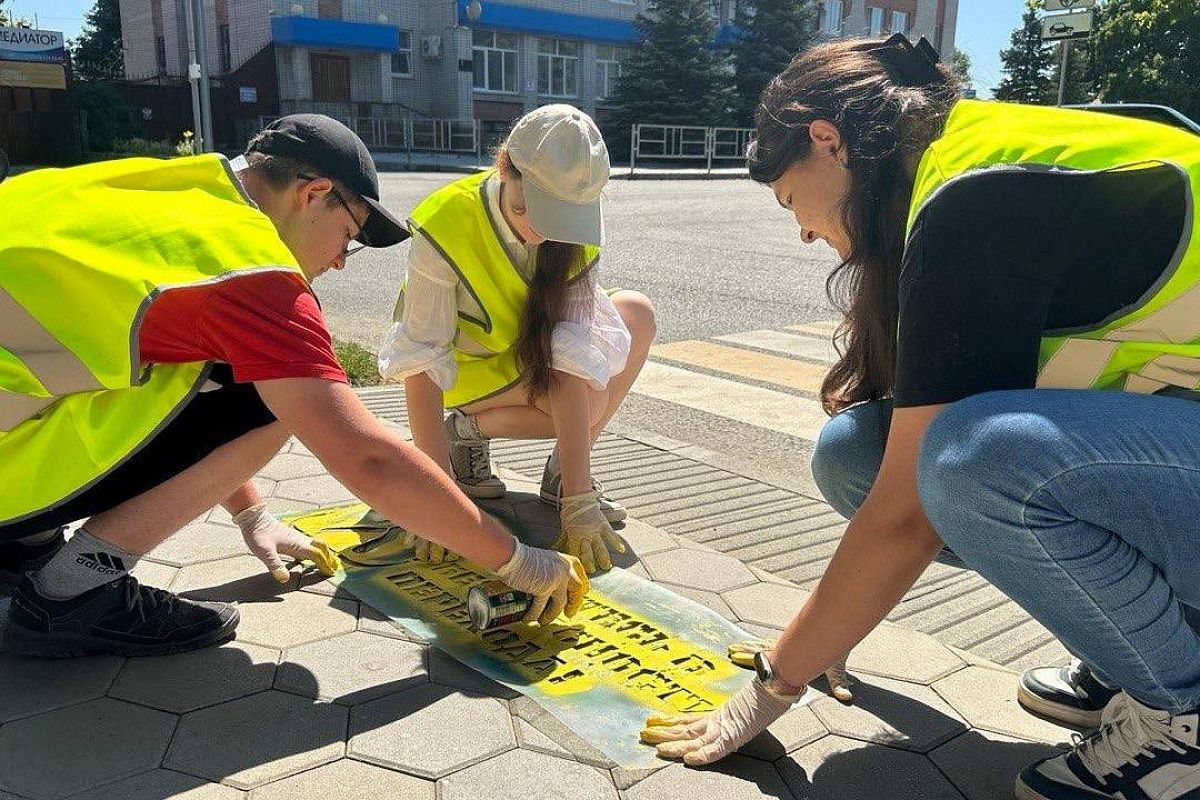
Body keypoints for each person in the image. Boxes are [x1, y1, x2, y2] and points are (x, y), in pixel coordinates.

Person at [639, 34, 1200, 800]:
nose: (801, 229)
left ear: (827, 143)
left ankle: (1184, 718)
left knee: (979, 461)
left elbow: (909, 511)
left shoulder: (980, 194)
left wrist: (776, 683)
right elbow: (896, 478)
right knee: (856, 452)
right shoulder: (952, 170)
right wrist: (837, 624)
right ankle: (1134, 659)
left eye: (788, 199)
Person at [0, 114, 587, 658]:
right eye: (349, 236)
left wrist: (252, 515)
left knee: (205, 364)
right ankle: (67, 594)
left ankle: (22, 545)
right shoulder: (252, 272)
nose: (339, 263)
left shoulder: (160, 189)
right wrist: (516, 560)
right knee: (280, 399)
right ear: (313, 194)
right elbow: (367, 460)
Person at [378, 104, 656, 575]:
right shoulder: (447, 222)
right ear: (504, 166)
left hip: (525, 360)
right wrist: (437, 497)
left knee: (637, 315)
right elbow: (422, 361)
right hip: (468, 369)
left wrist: (578, 498)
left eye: (557, 217)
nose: (540, 230)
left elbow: (571, 360)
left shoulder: (575, 231)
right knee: (587, 404)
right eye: (529, 209)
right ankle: (462, 434)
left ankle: (561, 477)